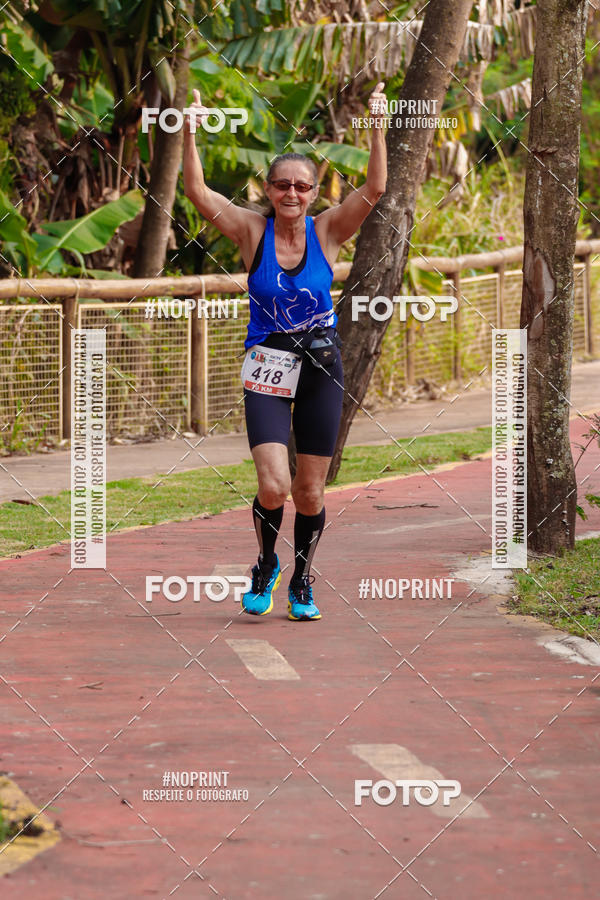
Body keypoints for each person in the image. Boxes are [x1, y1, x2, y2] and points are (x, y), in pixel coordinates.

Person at [183, 83, 387, 621]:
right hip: (268, 365)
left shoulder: (329, 231)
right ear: (268, 191)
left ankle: (302, 578)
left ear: (315, 191)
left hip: (321, 365)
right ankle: (265, 564)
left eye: (301, 186)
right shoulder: (252, 231)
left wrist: (378, 122)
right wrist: (189, 129)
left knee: (310, 492)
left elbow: (374, 187)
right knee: (273, 485)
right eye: (281, 186)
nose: (291, 194)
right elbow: (198, 190)